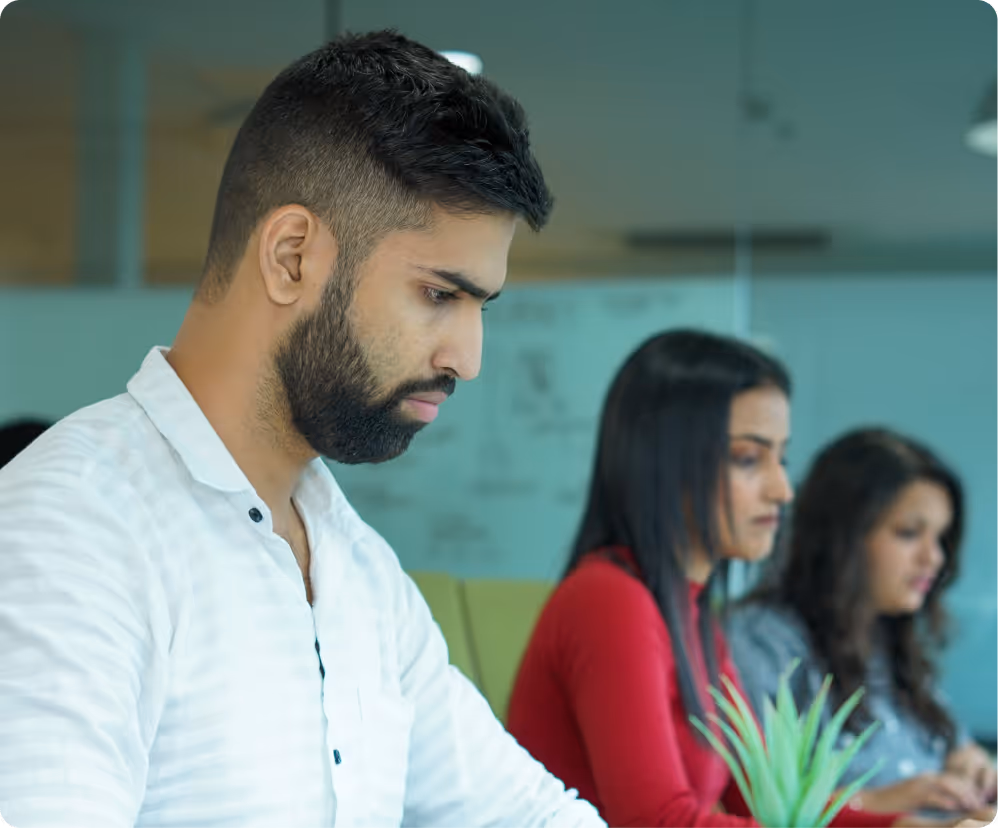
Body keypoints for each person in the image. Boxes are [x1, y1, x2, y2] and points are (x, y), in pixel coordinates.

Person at [0, 31, 605, 828]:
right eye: (437, 295)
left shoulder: (360, 573)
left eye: (479, 308)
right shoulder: (73, 524)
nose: (468, 357)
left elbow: (531, 817)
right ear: (291, 257)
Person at [505, 330, 995, 828]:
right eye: (747, 459)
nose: (782, 490)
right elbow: (660, 821)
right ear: (668, 463)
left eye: (780, 458)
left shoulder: (692, 616)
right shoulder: (609, 599)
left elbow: (759, 798)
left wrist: (909, 827)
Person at [728, 428, 998, 816]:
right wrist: (874, 806)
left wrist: (969, 762)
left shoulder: (894, 645)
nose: (934, 558)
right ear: (844, 537)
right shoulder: (761, 641)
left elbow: (957, 748)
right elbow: (754, 805)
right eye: (908, 534)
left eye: (941, 539)